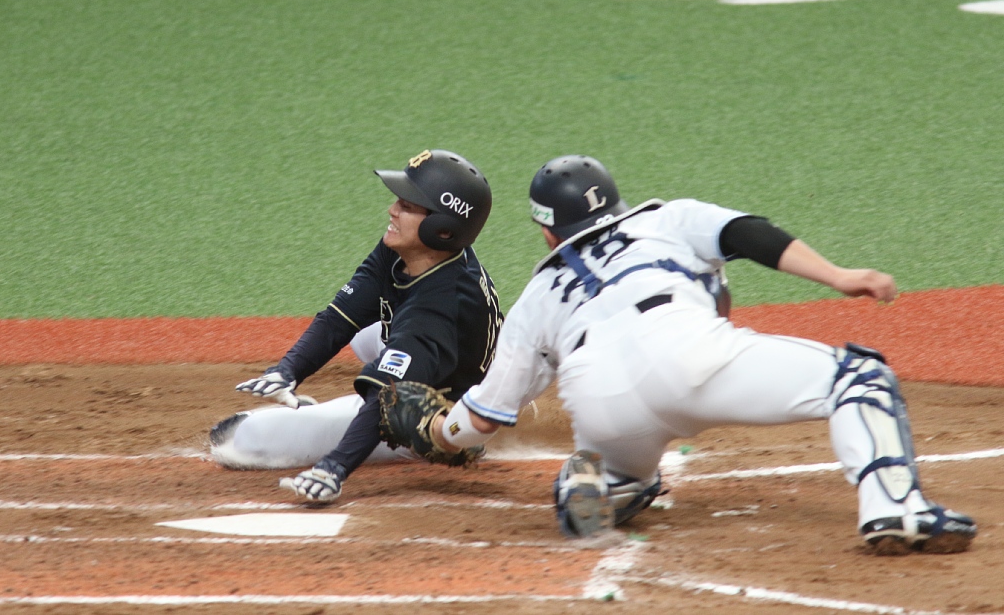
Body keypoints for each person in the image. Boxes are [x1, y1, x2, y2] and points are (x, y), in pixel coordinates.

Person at [425, 154, 976, 555]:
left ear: (547, 231)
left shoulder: (537, 297)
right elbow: (749, 234)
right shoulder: (663, 220)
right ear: (614, 203)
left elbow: (484, 417)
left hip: (600, 399)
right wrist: (838, 275)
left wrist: (436, 432)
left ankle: (592, 484)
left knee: (614, 466)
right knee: (861, 376)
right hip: (691, 356)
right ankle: (894, 508)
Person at [209, 149, 502, 503]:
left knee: (244, 439)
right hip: (460, 361)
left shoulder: (434, 312)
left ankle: (455, 436)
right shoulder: (414, 251)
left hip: (434, 407)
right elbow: (341, 316)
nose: (392, 210)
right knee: (365, 335)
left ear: (442, 229)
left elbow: (387, 401)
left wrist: (333, 468)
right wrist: (289, 370)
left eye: (407, 205)